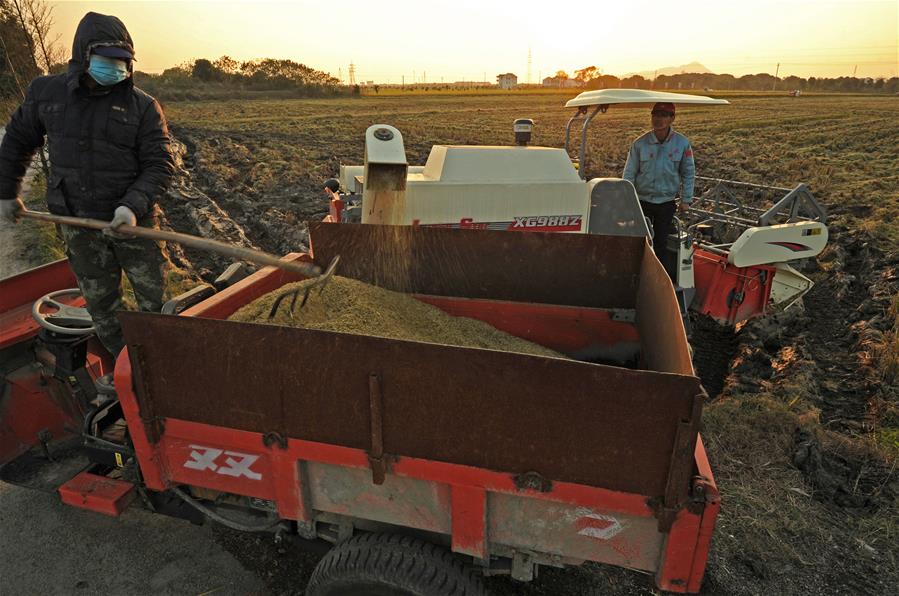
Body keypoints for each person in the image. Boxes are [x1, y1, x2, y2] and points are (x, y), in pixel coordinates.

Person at [0, 12, 176, 358]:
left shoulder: (143, 107)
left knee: (157, 303)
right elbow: (17, 142)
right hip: (78, 224)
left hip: (134, 225)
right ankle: (125, 367)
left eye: (123, 61)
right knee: (102, 305)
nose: (116, 67)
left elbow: (160, 164)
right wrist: (6, 192)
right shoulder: (46, 94)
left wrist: (132, 206)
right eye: (107, 59)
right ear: (83, 56)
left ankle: (163, 363)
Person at [622, 102, 695, 260]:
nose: (658, 119)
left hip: (666, 202)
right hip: (642, 201)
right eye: (655, 115)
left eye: (663, 115)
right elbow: (629, 173)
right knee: (640, 241)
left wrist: (686, 200)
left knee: (661, 242)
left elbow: (688, 173)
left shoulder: (682, 144)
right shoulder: (640, 144)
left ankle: (658, 276)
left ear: (672, 118)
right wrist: (627, 199)